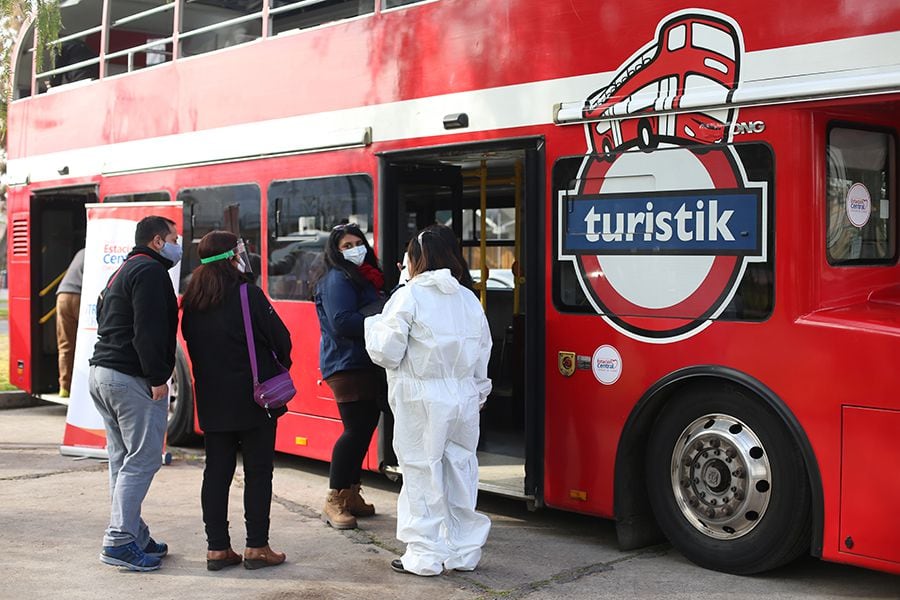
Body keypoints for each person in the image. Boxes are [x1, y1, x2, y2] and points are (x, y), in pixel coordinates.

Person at [364, 226, 493, 577]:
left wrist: (373, 323)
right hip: (463, 399)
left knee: (422, 473)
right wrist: (477, 392)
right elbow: (483, 352)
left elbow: (386, 352)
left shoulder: (409, 296)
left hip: (421, 398)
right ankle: (464, 551)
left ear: (415, 258)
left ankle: (423, 555)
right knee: (461, 471)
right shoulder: (468, 299)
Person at [181, 231, 291, 571]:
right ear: (233, 255)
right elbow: (281, 340)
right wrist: (279, 365)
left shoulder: (193, 301)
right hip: (254, 400)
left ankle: (217, 548)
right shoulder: (248, 293)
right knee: (259, 472)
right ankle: (257, 546)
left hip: (212, 401)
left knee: (216, 473)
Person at [88, 216, 181, 572]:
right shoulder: (152, 273)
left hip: (103, 375)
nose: (177, 245)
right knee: (143, 460)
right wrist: (159, 377)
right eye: (174, 238)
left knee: (122, 460)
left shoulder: (125, 269)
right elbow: (149, 331)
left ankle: (135, 533)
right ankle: (119, 540)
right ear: (158, 241)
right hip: (130, 378)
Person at [314, 222, 386, 530]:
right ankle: (335, 499)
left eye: (358, 243)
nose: (355, 249)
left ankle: (352, 493)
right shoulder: (337, 279)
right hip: (346, 364)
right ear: (335, 251)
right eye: (346, 245)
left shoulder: (365, 276)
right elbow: (342, 322)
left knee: (366, 427)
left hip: (364, 362)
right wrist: (382, 316)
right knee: (355, 430)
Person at [56, 247, 85, 398]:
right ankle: (83, 385)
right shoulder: (97, 251)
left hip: (63, 296)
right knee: (88, 341)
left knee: (65, 344)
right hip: (80, 297)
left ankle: (64, 387)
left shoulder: (80, 252)